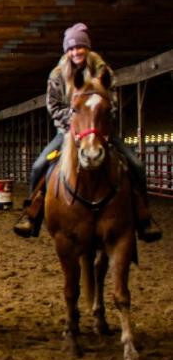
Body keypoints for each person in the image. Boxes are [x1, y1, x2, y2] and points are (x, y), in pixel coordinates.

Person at [13, 23, 161, 242]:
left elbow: (113, 99)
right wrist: (76, 118)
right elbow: (53, 106)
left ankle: (144, 217)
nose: (76, 52)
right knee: (38, 166)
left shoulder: (103, 71)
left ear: (87, 48)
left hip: (100, 130)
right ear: (66, 52)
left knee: (135, 164)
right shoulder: (56, 75)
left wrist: (97, 117)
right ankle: (32, 214)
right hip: (67, 132)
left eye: (79, 47)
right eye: (71, 49)